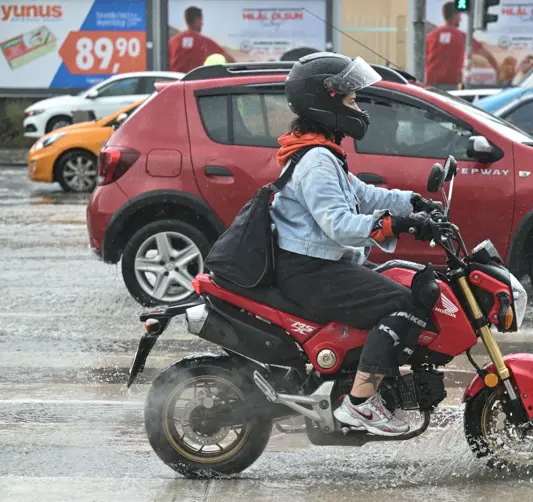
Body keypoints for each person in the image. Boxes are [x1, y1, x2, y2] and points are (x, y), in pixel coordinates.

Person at [270, 53, 445, 436]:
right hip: (311, 272)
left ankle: (361, 383)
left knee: (399, 283)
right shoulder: (316, 161)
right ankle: (361, 403)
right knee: (404, 303)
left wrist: (413, 203)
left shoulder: (321, 153)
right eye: (351, 100)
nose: (358, 108)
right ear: (326, 102)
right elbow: (339, 225)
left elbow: (362, 194)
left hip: (319, 265)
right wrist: (396, 225)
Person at [426, 1, 499, 87]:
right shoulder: (462, 37)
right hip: (452, 85)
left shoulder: (431, 36)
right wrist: (498, 71)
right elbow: (487, 55)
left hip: (430, 85)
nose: (460, 19)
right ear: (455, 15)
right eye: (459, 15)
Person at [168, 6, 235, 73]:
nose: (202, 24)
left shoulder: (173, 41)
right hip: (194, 78)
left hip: (174, 78)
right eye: (201, 20)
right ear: (197, 20)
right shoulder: (203, 41)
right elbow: (229, 59)